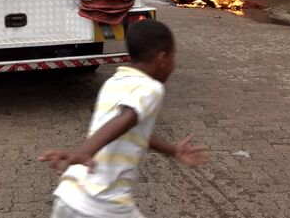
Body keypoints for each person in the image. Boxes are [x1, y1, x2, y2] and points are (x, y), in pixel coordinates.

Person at [39, 19, 208, 217]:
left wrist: (173, 150)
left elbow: (130, 128)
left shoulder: (114, 82)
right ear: (163, 58)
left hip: (70, 195)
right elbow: (126, 118)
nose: (174, 63)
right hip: (103, 202)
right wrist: (84, 152)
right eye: (174, 56)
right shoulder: (152, 88)